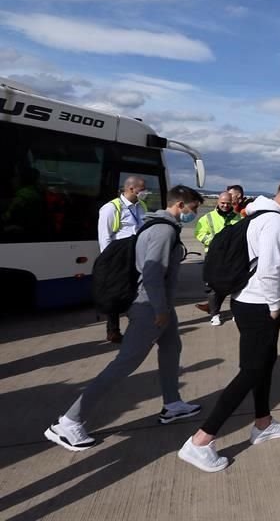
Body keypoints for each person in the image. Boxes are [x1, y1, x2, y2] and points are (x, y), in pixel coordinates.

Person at [44, 185, 205, 452]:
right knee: (125, 363)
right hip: (150, 306)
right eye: (194, 208)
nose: (195, 213)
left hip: (158, 303)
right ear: (180, 206)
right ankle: (69, 421)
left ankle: (172, 404)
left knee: (171, 346)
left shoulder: (156, 225)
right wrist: (160, 310)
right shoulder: (164, 230)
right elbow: (152, 275)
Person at [178, 177, 280, 472]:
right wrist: (274, 307)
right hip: (258, 304)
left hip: (243, 299)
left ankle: (262, 423)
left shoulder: (256, 213)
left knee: (264, 364)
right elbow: (269, 267)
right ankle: (201, 441)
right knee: (251, 370)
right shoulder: (275, 221)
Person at [96, 176, 149, 343]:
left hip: (137, 254)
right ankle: (113, 330)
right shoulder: (111, 208)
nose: (145, 192)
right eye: (143, 189)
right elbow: (104, 237)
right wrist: (109, 261)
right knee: (115, 292)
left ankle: (137, 326)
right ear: (131, 189)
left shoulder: (141, 206)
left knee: (135, 291)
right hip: (118, 257)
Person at [194, 192, 243, 326]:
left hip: (232, 258)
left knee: (235, 286)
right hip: (214, 258)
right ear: (218, 202)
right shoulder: (207, 218)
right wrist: (214, 242)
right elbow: (199, 233)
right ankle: (215, 314)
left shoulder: (238, 218)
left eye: (228, 203)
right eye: (223, 203)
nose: (225, 205)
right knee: (213, 287)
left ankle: (235, 313)